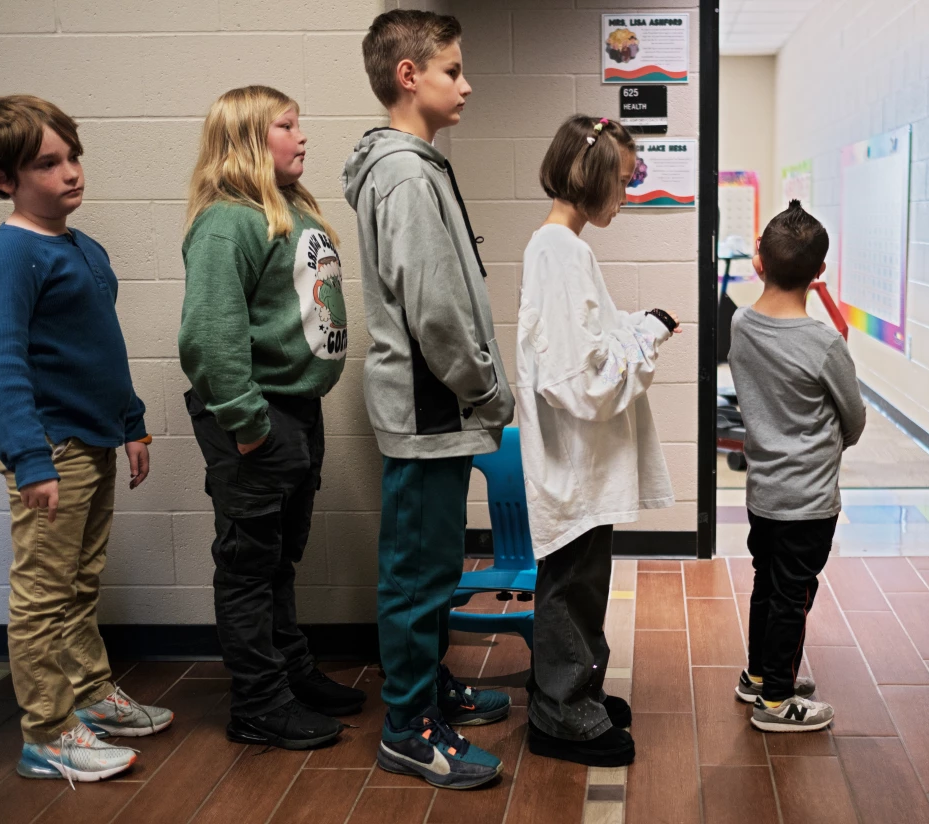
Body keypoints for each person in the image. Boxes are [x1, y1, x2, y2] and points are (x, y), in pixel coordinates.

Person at [343, 9, 515, 789]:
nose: (468, 85)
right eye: (452, 70)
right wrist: (485, 387)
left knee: (437, 567)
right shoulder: (406, 173)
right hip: (431, 409)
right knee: (416, 575)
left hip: (438, 410)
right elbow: (435, 310)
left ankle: (429, 691)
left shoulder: (417, 164)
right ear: (409, 77)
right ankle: (409, 728)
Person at [0, 94, 173, 783]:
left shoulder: (79, 246)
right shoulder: (10, 258)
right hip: (50, 448)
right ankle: (46, 731)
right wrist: (29, 460)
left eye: (73, 157)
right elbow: (0, 364)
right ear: (5, 179)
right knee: (42, 593)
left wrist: (131, 425)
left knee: (80, 580)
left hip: (92, 440)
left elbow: (100, 348)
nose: (70, 173)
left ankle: (90, 695)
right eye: (48, 163)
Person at [179, 85, 364, 751]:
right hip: (255, 414)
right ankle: (258, 703)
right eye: (287, 126)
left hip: (294, 410)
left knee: (280, 560)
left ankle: (289, 672)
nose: (302, 136)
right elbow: (209, 334)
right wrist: (247, 420)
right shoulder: (228, 220)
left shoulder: (286, 209)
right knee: (249, 567)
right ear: (249, 141)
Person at [518, 116, 679, 766]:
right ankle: (562, 713)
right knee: (571, 584)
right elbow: (582, 378)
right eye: (622, 178)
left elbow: (591, 337)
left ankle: (574, 691)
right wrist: (647, 339)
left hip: (579, 460)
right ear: (592, 177)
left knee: (581, 581)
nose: (626, 192)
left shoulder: (561, 248)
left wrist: (637, 326)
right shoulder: (560, 251)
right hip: (573, 458)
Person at [729, 200, 866, 732]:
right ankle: (777, 703)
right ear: (820, 273)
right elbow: (852, 419)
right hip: (807, 501)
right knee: (792, 596)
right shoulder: (825, 343)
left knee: (768, 583)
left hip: (763, 492)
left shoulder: (742, 323)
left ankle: (759, 677)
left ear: (758, 262)